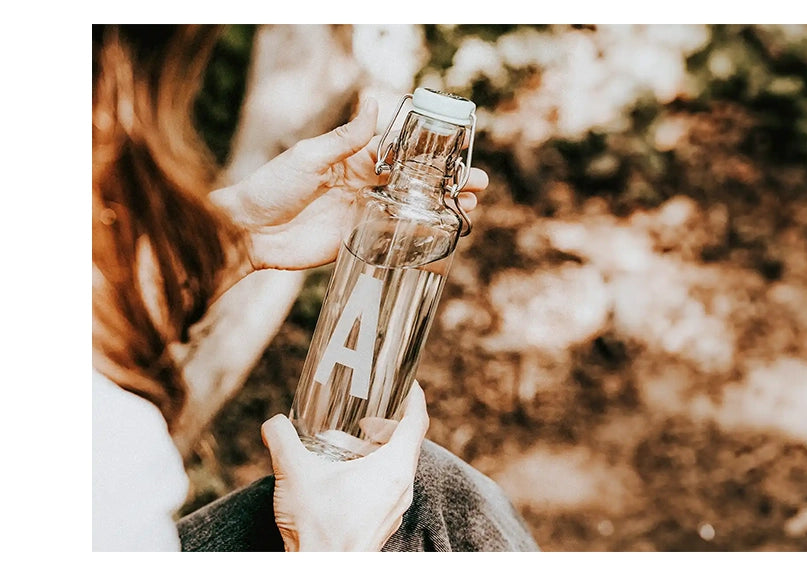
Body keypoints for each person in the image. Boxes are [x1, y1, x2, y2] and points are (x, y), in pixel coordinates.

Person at [92, 24, 538, 552]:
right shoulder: (117, 459)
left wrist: (246, 234)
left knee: (441, 490)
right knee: (433, 506)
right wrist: (331, 540)